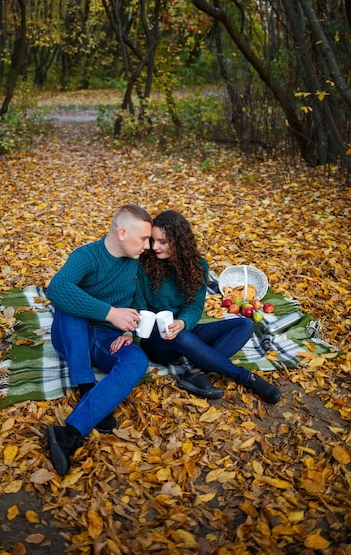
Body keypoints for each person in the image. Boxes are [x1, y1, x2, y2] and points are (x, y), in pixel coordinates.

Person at [111, 210, 281, 404]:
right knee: (181, 336)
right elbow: (139, 306)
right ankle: (246, 378)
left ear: (179, 242)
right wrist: (131, 333)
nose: (154, 246)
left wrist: (183, 322)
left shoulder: (198, 266)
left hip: (182, 332)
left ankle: (195, 372)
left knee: (244, 326)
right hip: (157, 342)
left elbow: (194, 306)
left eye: (163, 242)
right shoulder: (143, 264)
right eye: (153, 240)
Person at [45, 204, 152, 476]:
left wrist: (130, 331)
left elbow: (140, 303)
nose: (148, 246)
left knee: (137, 361)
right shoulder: (87, 256)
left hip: (107, 340)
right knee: (70, 305)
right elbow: (56, 288)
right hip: (70, 335)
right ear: (123, 233)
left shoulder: (138, 263)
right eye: (144, 239)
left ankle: (69, 433)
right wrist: (110, 312)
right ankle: (86, 387)